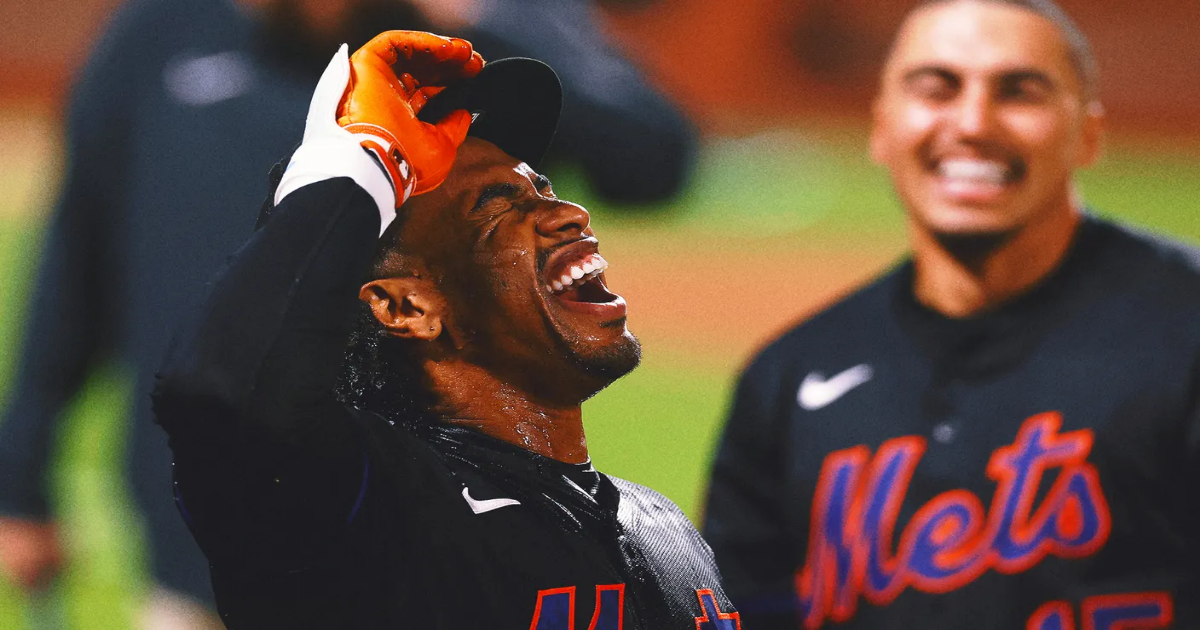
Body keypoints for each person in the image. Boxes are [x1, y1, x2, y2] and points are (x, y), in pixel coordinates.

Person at [0, 0, 694, 625]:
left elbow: (654, 162)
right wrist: (20, 485)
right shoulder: (160, 29)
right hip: (200, 539)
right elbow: (78, 259)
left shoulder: (479, 32)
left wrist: (481, 19)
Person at [702, 0, 1200, 628]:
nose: (972, 123)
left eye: (1019, 92)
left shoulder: (1185, 330)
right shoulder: (788, 376)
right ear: (881, 127)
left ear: (1088, 134)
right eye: (936, 89)